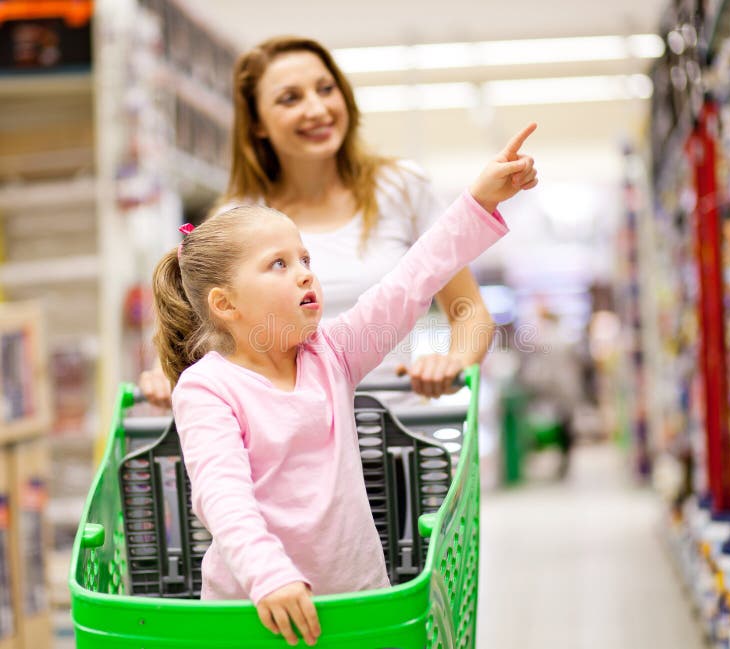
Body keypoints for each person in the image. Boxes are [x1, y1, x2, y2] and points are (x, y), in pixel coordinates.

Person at [153, 123, 538, 646]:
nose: (305, 274)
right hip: (254, 614)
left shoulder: (331, 354)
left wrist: (479, 200)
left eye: (305, 259)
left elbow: (410, 281)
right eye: (278, 264)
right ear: (225, 304)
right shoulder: (207, 388)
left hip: (358, 602)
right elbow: (222, 495)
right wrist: (270, 576)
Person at [140, 35, 497, 407]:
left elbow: (468, 309)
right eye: (290, 98)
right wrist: (165, 372)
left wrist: (454, 363)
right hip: (281, 431)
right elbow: (199, 324)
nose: (317, 108)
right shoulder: (237, 219)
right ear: (257, 123)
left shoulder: (401, 189)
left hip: (396, 425)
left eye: (326, 89)